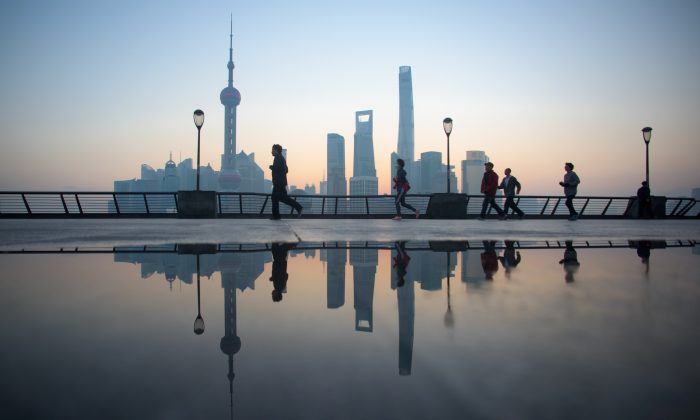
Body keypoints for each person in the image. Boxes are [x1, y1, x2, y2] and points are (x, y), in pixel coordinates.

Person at [269, 144, 302, 220]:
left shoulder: (278, 158)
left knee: (278, 198)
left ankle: (298, 207)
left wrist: (271, 167)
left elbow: (277, 169)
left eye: (273, 150)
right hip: (280, 182)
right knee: (278, 198)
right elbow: (286, 170)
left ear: (276, 150)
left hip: (278, 183)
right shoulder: (282, 158)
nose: (271, 152)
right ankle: (276, 216)